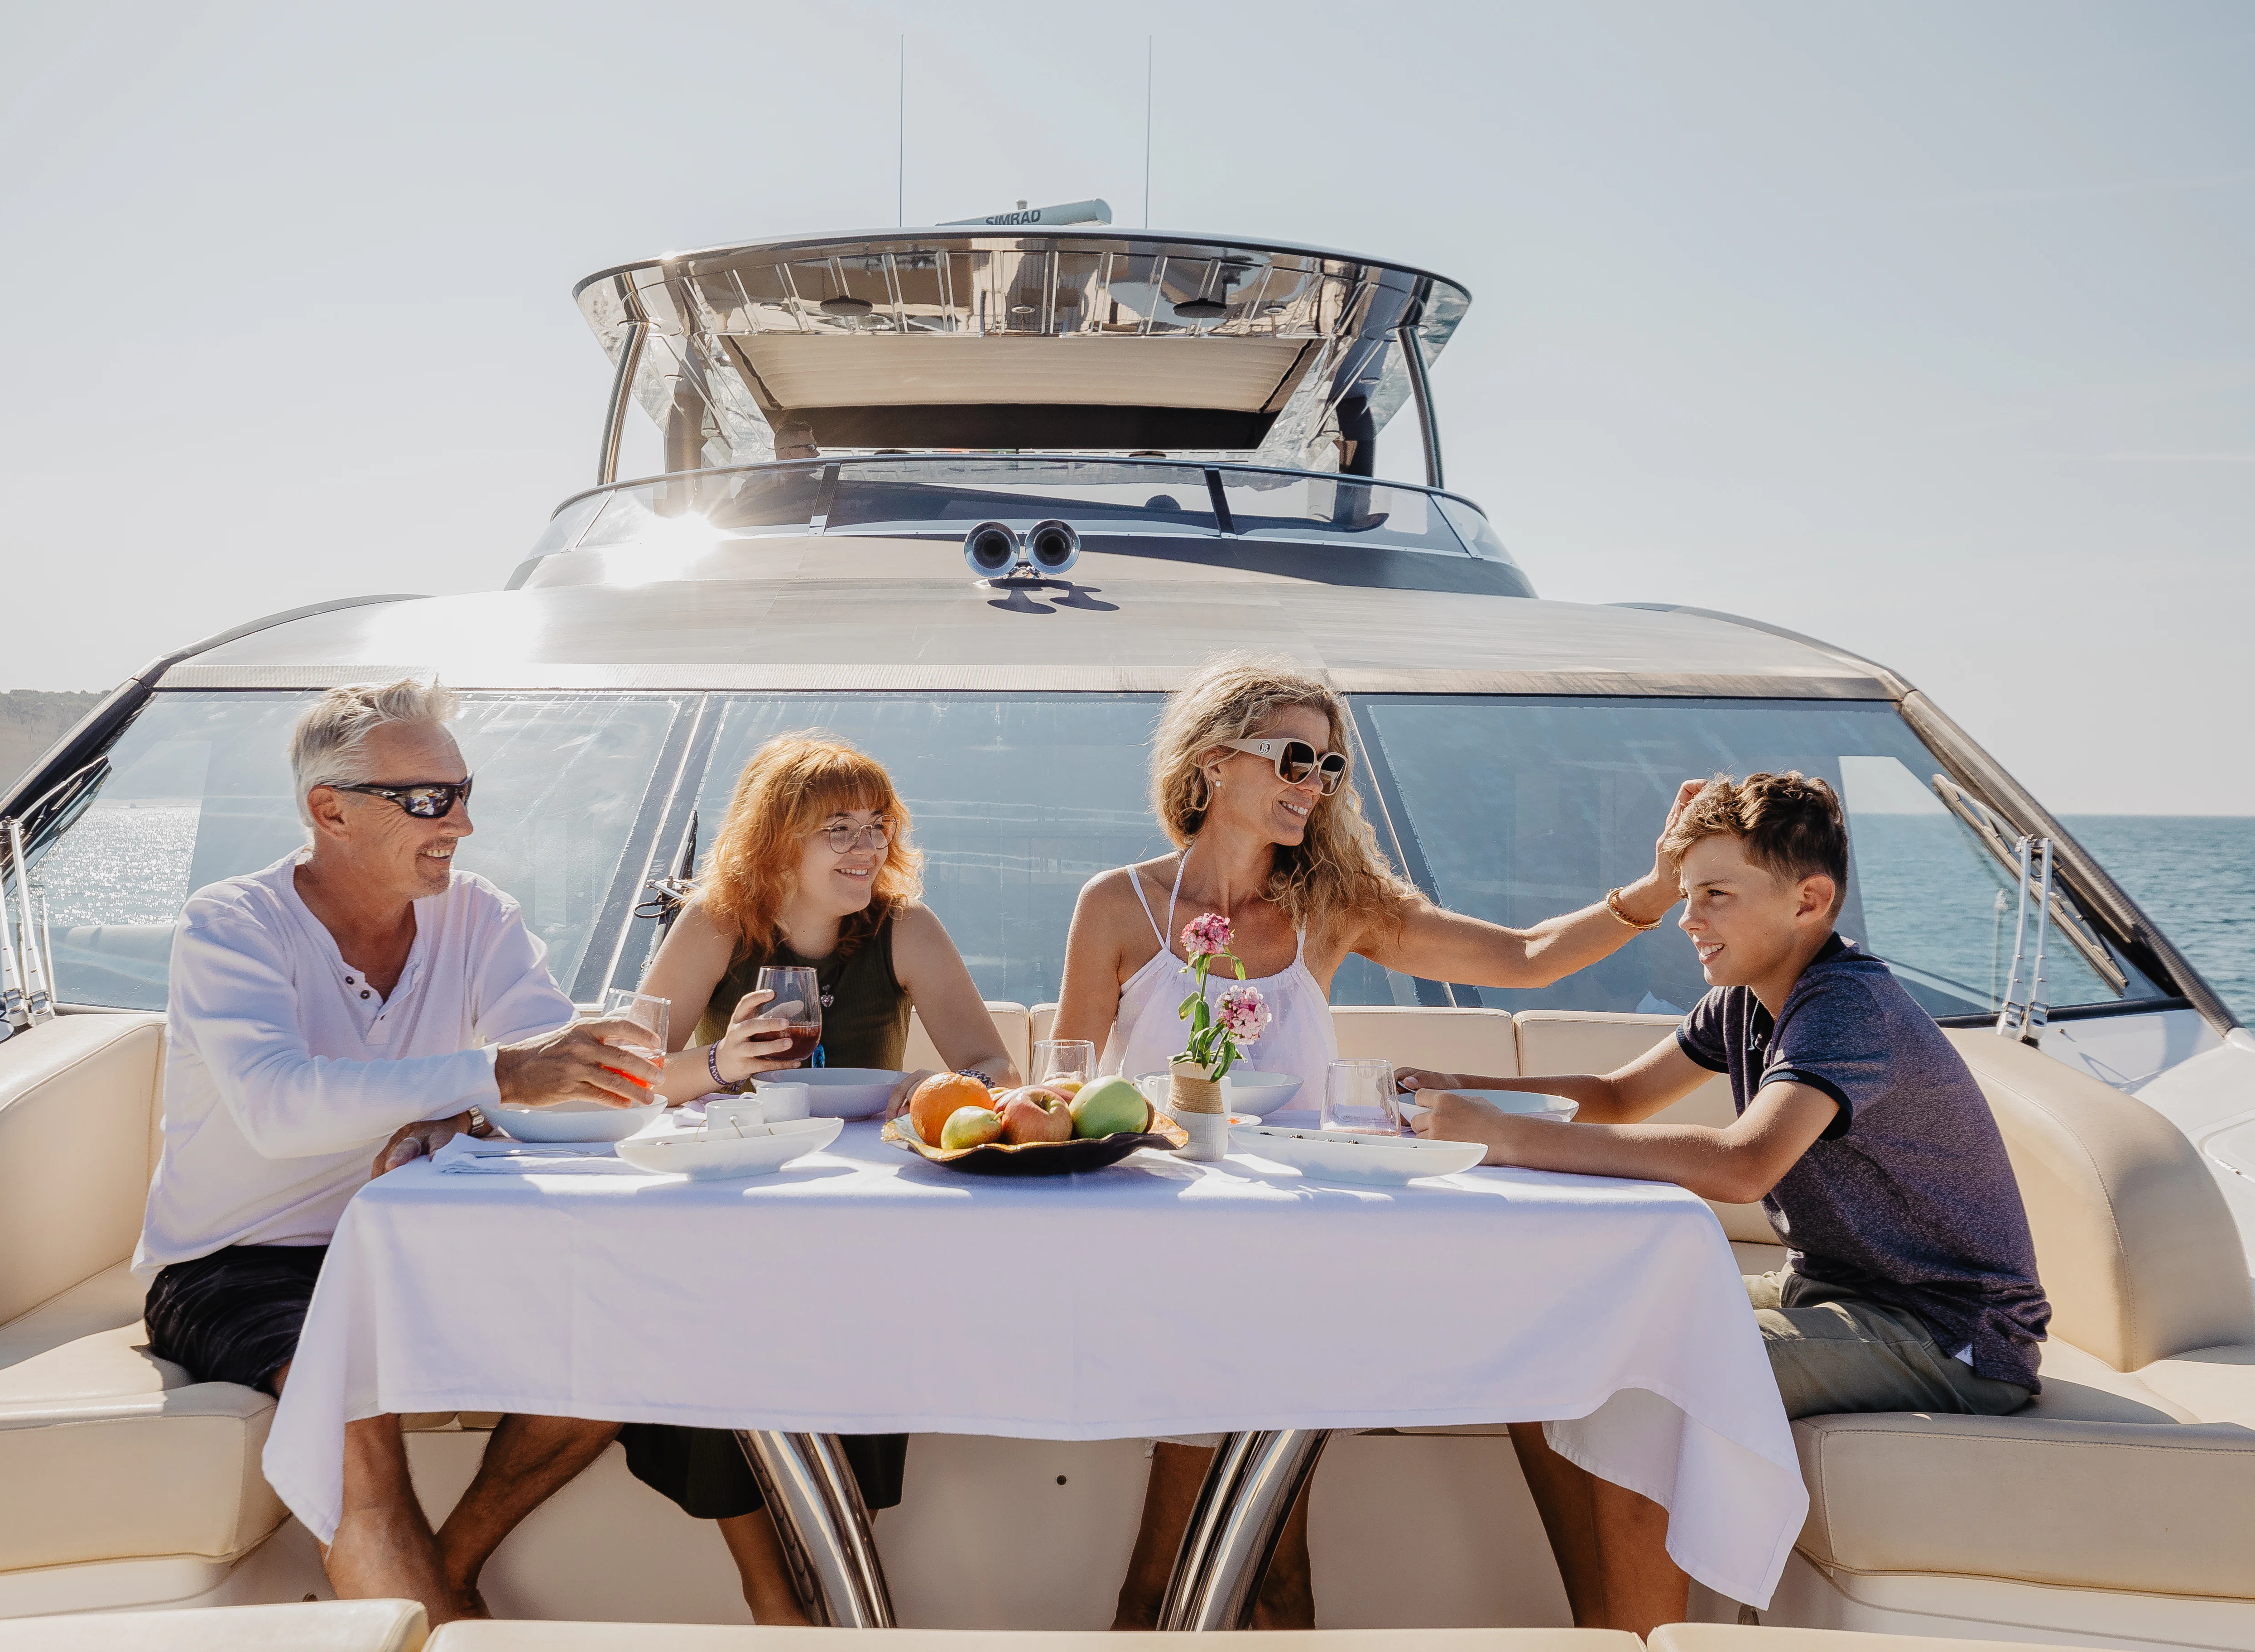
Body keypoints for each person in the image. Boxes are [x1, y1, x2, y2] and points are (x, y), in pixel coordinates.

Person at [1051, 651, 1701, 1630]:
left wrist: (1654, 891)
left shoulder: (1329, 907)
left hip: (1303, 1262)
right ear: (1214, 761)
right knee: (1170, 1580)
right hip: (1164, 1259)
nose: (1314, 784)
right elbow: (1068, 1089)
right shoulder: (1119, 906)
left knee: (1275, 1572)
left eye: (1330, 766)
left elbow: (1525, 958)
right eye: (1294, 759)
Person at [1403, 770, 2049, 1635]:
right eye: (1686, 893)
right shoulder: (1747, 999)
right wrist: (1460, 1089)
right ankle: (1604, 1633)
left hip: (1949, 1333)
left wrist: (1506, 1136)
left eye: (1715, 895)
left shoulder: (1847, 1006)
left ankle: (1645, 1643)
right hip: (1833, 1293)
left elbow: (1746, 1164)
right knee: (1545, 1345)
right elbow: (1619, 1097)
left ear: (1808, 901)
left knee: (1633, 1379)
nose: (1688, 918)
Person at [134, 678, 660, 1626]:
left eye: (462, 792)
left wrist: (480, 1114)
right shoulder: (232, 924)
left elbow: (560, 1075)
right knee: (359, 1433)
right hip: (239, 1262)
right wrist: (496, 1080)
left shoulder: (480, 915)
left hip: (418, 1245)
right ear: (329, 811)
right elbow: (278, 1109)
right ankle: (441, 1623)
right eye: (426, 799)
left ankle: (445, 1586)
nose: (461, 823)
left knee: (613, 1346)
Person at [632, 731, 1018, 1623]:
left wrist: (935, 1088)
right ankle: (773, 1598)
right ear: (776, 840)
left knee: (870, 1359)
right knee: (712, 1347)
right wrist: (723, 1064)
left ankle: (834, 1575)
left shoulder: (905, 929)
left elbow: (994, 1067)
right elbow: (634, 1075)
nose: (867, 847)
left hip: (861, 1212)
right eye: (839, 828)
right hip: (739, 1200)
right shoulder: (716, 924)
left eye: (878, 826)